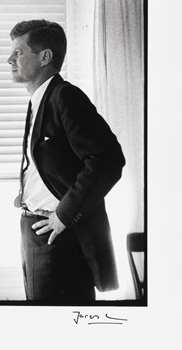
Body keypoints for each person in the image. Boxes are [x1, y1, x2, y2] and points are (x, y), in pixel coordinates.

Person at [8, 19, 126, 302]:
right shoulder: (39, 98)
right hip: (35, 230)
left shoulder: (65, 97)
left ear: (45, 57)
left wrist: (62, 215)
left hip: (60, 238)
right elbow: (54, 161)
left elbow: (107, 158)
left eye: (18, 52)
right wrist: (28, 192)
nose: (9, 59)